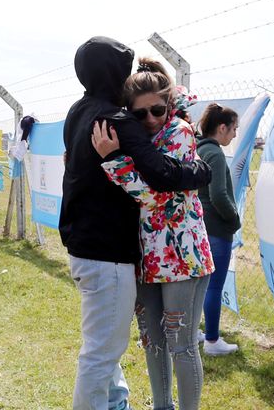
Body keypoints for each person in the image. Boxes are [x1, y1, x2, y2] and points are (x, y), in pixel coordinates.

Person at [60, 36, 211, 410]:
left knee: (180, 344)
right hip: (141, 257)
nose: (147, 119)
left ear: (170, 105)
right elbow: (158, 177)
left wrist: (198, 170)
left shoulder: (173, 131)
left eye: (156, 111)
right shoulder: (116, 122)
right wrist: (198, 172)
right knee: (147, 343)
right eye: (139, 112)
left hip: (179, 256)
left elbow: (158, 190)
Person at [196, 104, 242, 356]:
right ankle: (212, 341)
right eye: (233, 129)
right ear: (221, 127)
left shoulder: (200, 149)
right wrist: (234, 220)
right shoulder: (213, 153)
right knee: (214, 287)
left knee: (201, 286)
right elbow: (219, 194)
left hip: (203, 227)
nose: (235, 134)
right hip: (216, 229)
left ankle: (196, 332)